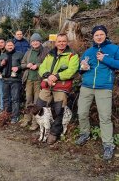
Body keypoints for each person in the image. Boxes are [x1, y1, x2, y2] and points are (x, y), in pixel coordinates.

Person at [75, 25, 119, 160]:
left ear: (105, 35)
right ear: (93, 37)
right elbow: (80, 68)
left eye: (101, 34)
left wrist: (105, 59)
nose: (99, 37)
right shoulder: (88, 51)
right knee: (81, 113)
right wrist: (82, 68)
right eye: (96, 35)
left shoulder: (114, 49)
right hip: (87, 86)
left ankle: (108, 144)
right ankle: (84, 134)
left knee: (105, 117)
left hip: (104, 87)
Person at [36, 33, 79, 145]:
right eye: (59, 41)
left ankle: (54, 133)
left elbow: (72, 70)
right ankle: (44, 129)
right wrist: (47, 75)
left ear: (67, 42)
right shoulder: (50, 54)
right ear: (55, 42)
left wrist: (56, 76)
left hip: (61, 86)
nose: (61, 43)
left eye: (63, 41)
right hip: (48, 84)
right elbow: (42, 67)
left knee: (59, 109)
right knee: (40, 105)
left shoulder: (72, 55)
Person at [20, 33, 49, 129]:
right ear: (31, 43)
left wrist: (38, 65)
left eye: (37, 41)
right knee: (28, 100)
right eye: (33, 41)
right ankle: (26, 119)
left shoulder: (45, 51)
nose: (35, 42)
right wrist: (27, 65)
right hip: (29, 79)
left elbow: (48, 64)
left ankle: (35, 122)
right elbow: (22, 63)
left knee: (37, 102)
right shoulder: (28, 52)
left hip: (39, 80)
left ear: (40, 42)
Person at [0, 40, 24, 124]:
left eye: (11, 45)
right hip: (5, 80)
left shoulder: (19, 54)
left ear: (14, 46)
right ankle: (6, 115)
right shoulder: (3, 55)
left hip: (15, 80)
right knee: (5, 98)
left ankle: (14, 116)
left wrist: (18, 68)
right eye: (8, 45)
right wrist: (1, 64)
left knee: (15, 99)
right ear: (5, 47)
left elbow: (24, 65)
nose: (10, 47)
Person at [0, 37, 6, 112]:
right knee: (1, 93)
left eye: (2, 42)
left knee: (7, 93)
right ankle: (2, 108)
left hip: (8, 76)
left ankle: (6, 109)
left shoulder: (8, 51)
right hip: (0, 75)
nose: (0, 44)